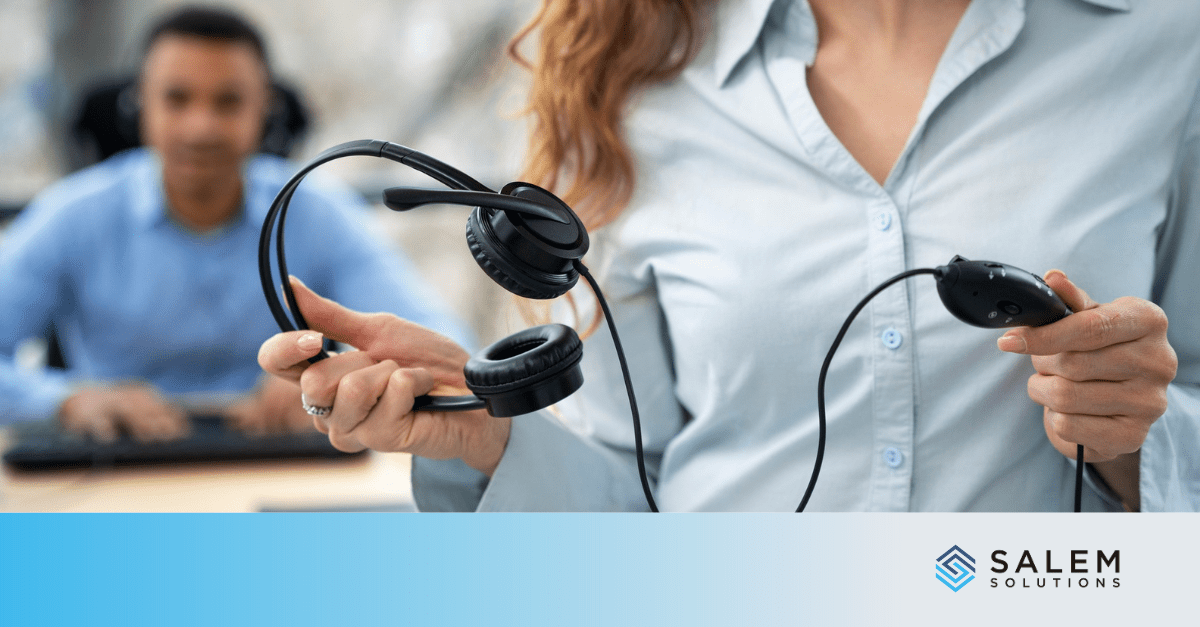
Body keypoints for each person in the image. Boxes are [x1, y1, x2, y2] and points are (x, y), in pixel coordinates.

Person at [257, 0, 1199, 511]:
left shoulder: (1170, 48)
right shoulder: (634, 69)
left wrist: (1133, 443)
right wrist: (489, 439)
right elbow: (630, 487)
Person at [0, 5, 470, 441]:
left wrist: (335, 378)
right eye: (177, 99)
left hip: (284, 459)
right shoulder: (73, 215)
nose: (201, 126)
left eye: (227, 102)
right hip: (110, 467)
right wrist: (66, 400)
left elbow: (444, 348)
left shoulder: (318, 213)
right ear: (140, 104)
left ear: (263, 109)